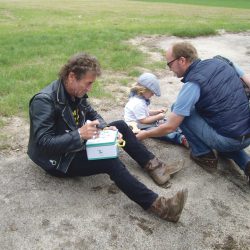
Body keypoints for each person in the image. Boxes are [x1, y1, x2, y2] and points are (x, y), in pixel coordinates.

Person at [27, 52, 188, 222]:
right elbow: (43, 143)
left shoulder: (75, 92)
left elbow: (91, 112)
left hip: (75, 141)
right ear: (72, 76)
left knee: (120, 125)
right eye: (88, 83)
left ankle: (156, 167)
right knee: (109, 161)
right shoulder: (44, 101)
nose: (89, 89)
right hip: (59, 160)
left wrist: (106, 127)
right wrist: (79, 134)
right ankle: (162, 207)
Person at [136, 42, 250, 184]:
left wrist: (146, 134)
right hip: (246, 132)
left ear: (182, 60)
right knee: (228, 137)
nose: (170, 70)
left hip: (228, 139)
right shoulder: (221, 61)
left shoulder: (193, 84)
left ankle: (204, 155)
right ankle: (246, 163)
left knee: (179, 108)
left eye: (169, 64)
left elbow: (171, 126)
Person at [124, 72, 189, 148]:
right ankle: (179, 138)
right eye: (152, 92)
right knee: (157, 131)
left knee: (166, 121)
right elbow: (143, 120)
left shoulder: (140, 100)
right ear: (143, 90)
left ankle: (180, 130)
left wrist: (157, 111)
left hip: (142, 122)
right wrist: (158, 117)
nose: (153, 95)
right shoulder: (138, 103)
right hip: (137, 126)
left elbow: (146, 112)